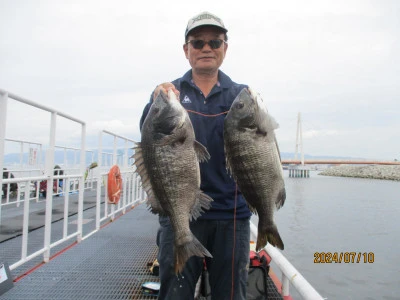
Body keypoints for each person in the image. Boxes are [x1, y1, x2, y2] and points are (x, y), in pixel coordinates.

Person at [139, 11, 251, 299]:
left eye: (215, 42)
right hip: (179, 215)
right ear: (186, 50)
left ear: (225, 48)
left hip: (231, 214)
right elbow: (148, 136)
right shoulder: (169, 93)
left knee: (230, 294)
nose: (206, 48)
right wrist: (154, 100)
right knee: (174, 294)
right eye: (197, 42)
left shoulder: (240, 96)